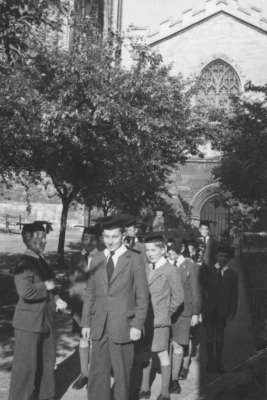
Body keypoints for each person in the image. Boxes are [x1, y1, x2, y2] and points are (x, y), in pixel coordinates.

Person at [81, 215, 149, 400]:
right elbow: (90, 293)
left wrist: (137, 324)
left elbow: (142, 296)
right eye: (106, 237)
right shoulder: (96, 259)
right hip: (100, 325)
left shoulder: (134, 259)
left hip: (123, 327)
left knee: (123, 376)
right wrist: (86, 323)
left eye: (114, 237)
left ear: (123, 235)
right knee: (97, 374)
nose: (110, 241)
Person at [9, 221, 67, 400]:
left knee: (46, 364)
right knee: (25, 370)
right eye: (40, 238)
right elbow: (25, 292)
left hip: (46, 320)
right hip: (28, 325)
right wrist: (46, 285)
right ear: (28, 240)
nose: (44, 241)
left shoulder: (40, 259)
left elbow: (51, 286)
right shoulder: (24, 263)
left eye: (45, 237)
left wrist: (57, 299)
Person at [138, 232, 184, 400]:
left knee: (162, 354)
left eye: (153, 250)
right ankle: (144, 387)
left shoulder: (170, 270)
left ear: (163, 250)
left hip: (160, 322)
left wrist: (166, 314)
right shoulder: (145, 267)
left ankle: (165, 392)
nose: (149, 253)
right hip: (144, 321)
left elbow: (178, 297)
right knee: (145, 354)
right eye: (147, 250)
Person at [167, 239, 201, 394]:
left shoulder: (190, 266)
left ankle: (174, 380)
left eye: (173, 249)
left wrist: (195, 312)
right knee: (166, 346)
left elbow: (195, 290)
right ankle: (168, 375)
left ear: (180, 249)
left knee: (179, 345)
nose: (170, 252)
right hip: (166, 312)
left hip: (184, 312)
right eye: (168, 249)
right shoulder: (165, 264)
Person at [69, 224, 101, 390]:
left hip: (96, 306)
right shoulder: (76, 258)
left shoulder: (102, 257)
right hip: (80, 306)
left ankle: (96, 373)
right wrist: (71, 303)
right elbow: (72, 281)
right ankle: (84, 373)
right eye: (84, 238)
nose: (87, 242)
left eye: (91, 239)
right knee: (83, 339)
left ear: (98, 240)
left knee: (96, 340)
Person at [200, 245, 238, 373]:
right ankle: (210, 362)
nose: (222, 259)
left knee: (220, 336)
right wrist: (202, 308)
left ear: (229, 259)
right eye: (220, 256)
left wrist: (232, 311)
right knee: (209, 336)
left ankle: (218, 362)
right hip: (209, 310)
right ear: (216, 257)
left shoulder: (232, 275)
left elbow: (234, 294)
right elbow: (202, 290)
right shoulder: (209, 271)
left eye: (225, 257)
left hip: (222, 311)